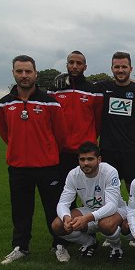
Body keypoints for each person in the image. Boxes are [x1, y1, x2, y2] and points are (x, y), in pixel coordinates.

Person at [0, 55, 69, 264]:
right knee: (21, 210)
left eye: (28, 71)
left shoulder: (50, 102)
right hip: (18, 167)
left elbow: (61, 135)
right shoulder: (3, 105)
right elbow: (5, 134)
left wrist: (46, 151)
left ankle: (60, 244)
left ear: (35, 73)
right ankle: (20, 247)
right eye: (19, 71)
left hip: (48, 166)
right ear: (13, 73)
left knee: (54, 208)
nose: (24, 75)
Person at [51, 142, 128, 260]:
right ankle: (89, 242)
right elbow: (63, 203)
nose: (86, 163)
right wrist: (66, 218)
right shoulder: (73, 174)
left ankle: (116, 246)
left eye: (90, 159)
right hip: (90, 209)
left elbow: (112, 205)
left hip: (117, 210)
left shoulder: (110, 171)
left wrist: (87, 218)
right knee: (57, 225)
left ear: (99, 159)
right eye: (82, 159)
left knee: (105, 224)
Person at [96, 51, 135, 191]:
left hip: (132, 150)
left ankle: (134, 214)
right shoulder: (102, 87)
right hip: (108, 150)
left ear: (131, 69)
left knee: (134, 190)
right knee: (106, 191)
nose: (120, 70)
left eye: (124, 67)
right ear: (111, 68)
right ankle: (107, 213)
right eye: (117, 67)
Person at [48, 51, 103, 182]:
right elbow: (49, 118)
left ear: (85, 66)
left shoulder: (93, 90)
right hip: (60, 150)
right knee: (63, 191)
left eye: (79, 63)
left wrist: (89, 138)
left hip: (85, 151)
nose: (74, 66)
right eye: (71, 63)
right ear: (67, 65)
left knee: (90, 191)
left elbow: (99, 120)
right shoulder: (55, 88)